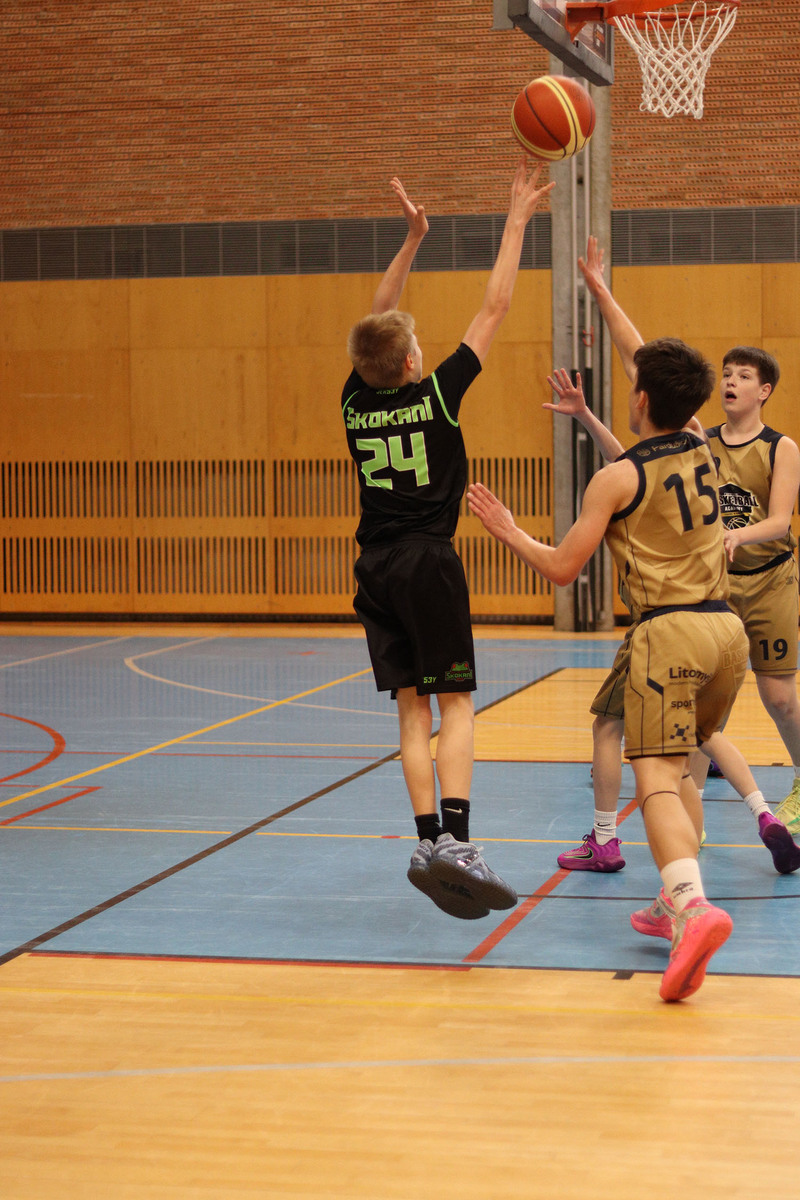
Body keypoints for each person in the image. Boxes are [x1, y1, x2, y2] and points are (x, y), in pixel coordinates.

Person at [469, 337, 749, 1001]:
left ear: (641, 397)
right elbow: (644, 462)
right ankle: (676, 895)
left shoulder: (614, 479)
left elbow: (563, 567)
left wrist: (509, 530)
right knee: (683, 771)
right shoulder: (702, 445)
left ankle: (691, 906)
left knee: (654, 779)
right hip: (726, 633)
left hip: (669, 634)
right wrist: (593, 415)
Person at [342, 162, 555, 920]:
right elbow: (495, 305)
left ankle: (426, 840)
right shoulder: (436, 395)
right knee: (457, 702)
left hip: (373, 566)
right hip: (428, 561)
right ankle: (459, 844)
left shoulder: (355, 398)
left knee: (412, 710)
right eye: (417, 344)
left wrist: (412, 240)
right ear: (410, 363)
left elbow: (376, 317)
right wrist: (517, 218)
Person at [561, 236, 800, 861]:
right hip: (719, 606)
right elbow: (639, 374)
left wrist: (508, 529)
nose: (732, 382)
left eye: (744, 376)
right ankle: (752, 814)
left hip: (712, 602)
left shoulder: (765, 446)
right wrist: (602, 293)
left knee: (683, 743)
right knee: (697, 733)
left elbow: (638, 364)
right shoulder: (699, 442)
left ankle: (655, 861)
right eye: (727, 375)